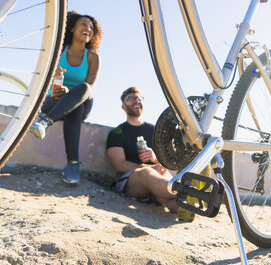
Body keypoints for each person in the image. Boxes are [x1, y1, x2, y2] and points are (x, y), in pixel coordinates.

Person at [29, 11, 102, 185]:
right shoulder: (58, 51)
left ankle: (45, 122)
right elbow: (42, 79)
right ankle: (73, 165)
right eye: (83, 24)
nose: (88, 29)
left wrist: (68, 91)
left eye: (91, 27)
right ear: (72, 29)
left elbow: (89, 88)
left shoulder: (93, 58)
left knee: (82, 89)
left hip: (82, 101)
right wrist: (54, 80)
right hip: (54, 101)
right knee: (73, 109)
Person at [106, 87, 177, 213]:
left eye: (139, 98)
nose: (136, 101)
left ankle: (184, 206)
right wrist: (150, 167)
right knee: (146, 173)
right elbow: (120, 165)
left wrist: (154, 158)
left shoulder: (155, 131)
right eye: (131, 99)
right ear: (123, 107)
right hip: (131, 182)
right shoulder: (117, 132)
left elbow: (164, 162)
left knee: (169, 196)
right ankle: (184, 192)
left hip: (157, 180)